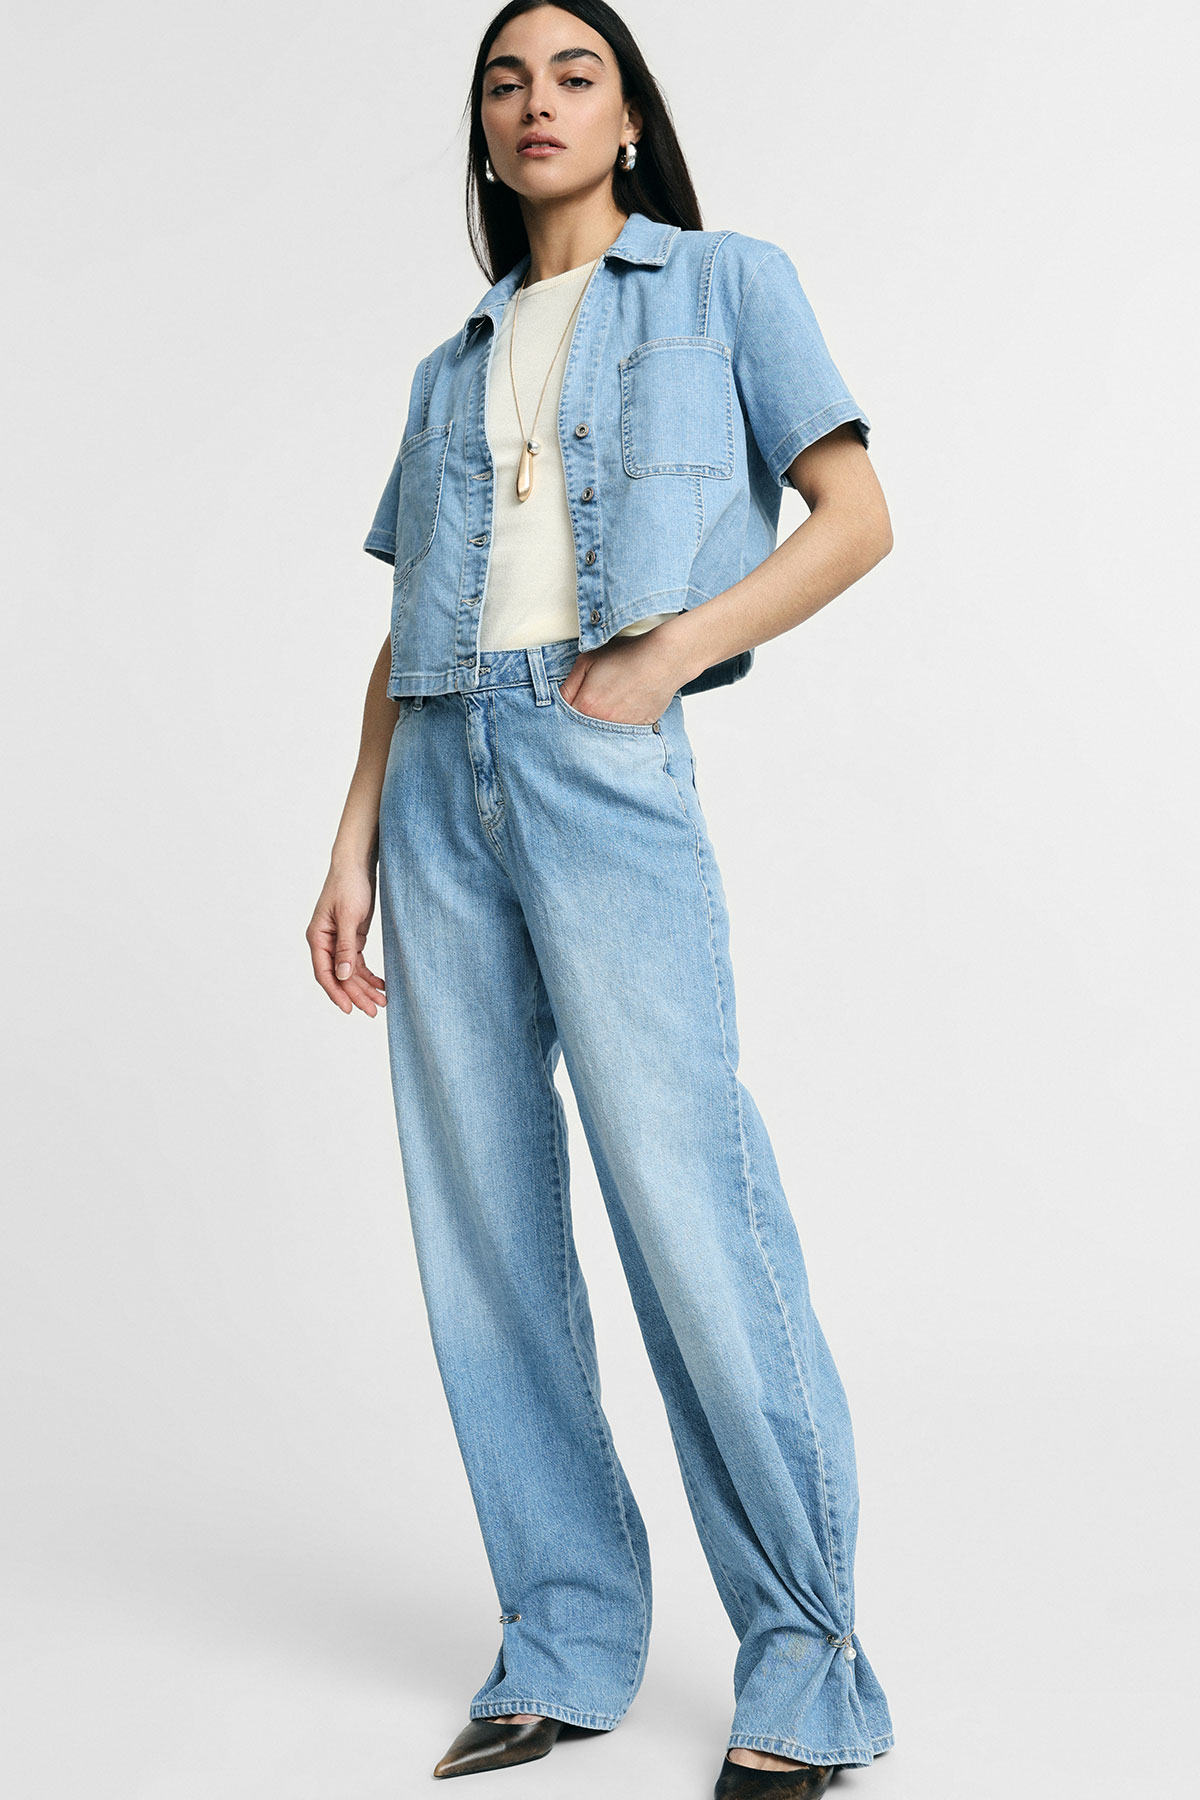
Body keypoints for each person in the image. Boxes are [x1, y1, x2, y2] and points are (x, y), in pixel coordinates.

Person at [306, 3, 895, 1794]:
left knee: (689, 1205)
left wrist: (669, 660)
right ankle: (564, 1639)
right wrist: (350, 839)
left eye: (572, 74)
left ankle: (807, 1654)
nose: (536, 102)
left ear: (627, 116)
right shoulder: (446, 362)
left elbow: (855, 514)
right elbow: (408, 628)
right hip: (439, 785)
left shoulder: (727, 285)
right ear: (487, 137)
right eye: (506, 82)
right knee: (481, 1225)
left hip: (597, 754)